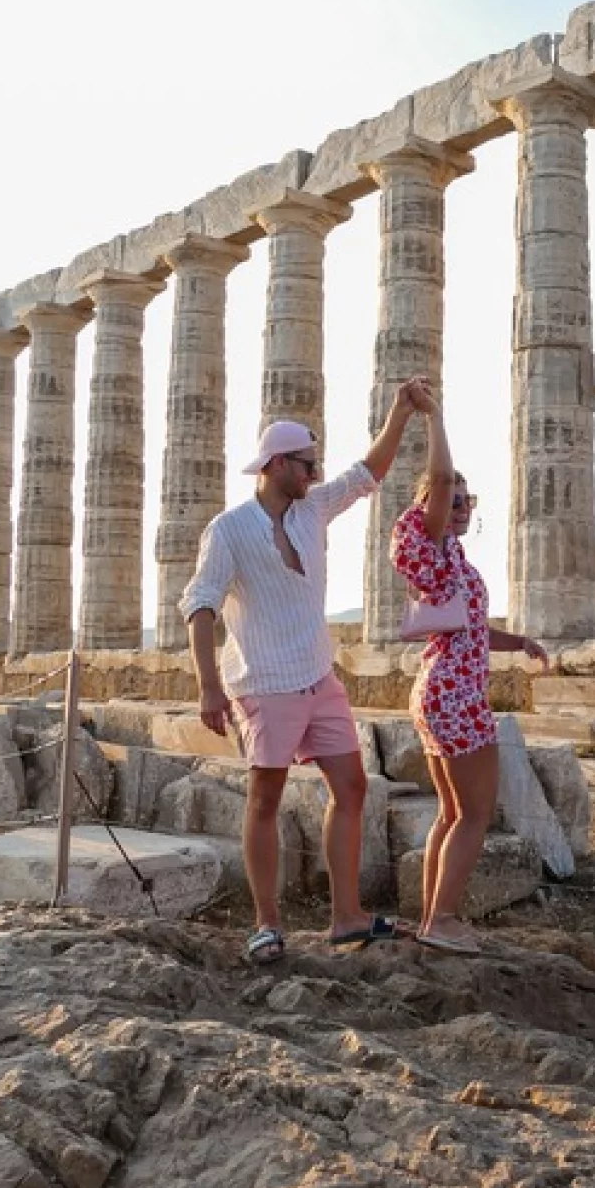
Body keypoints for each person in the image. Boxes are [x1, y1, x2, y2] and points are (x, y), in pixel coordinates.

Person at [181, 382, 433, 965]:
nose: (316, 474)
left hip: (320, 676)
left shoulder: (313, 508)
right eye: (306, 464)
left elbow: (366, 472)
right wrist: (207, 687)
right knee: (264, 799)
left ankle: (346, 917)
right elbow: (200, 606)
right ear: (275, 465)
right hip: (264, 684)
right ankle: (266, 924)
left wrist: (400, 412)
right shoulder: (228, 529)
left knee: (351, 787)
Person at [391, 394, 548, 954]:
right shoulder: (430, 545)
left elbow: (470, 631)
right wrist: (435, 416)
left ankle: (434, 914)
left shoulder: (453, 560)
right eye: (447, 498)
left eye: (465, 499)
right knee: (476, 814)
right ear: (430, 503)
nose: (458, 505)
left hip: (441, 688)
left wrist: (520, 643)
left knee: (453, 812)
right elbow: (435, 472)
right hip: (453, 695)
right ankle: (445, 920)